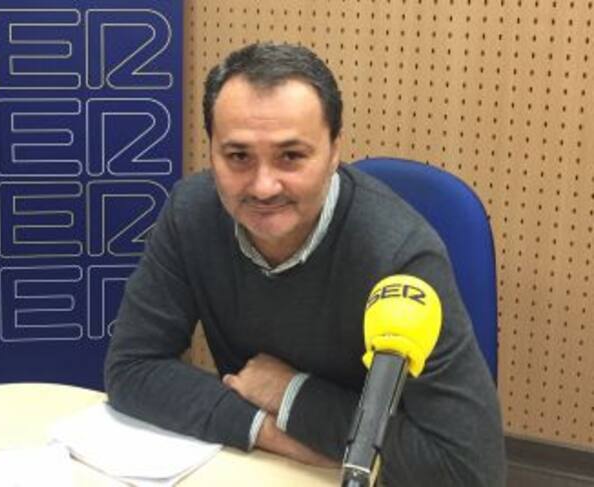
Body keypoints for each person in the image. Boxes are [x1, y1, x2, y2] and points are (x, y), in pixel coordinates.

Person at [105, 42, 506, 485]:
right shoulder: (192, 212)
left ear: (334, 151)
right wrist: (268, 430)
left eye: (291, 156)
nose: (263, 186)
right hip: (262, 467)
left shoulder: (400, 257)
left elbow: (467, 469)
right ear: (212, 152)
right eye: (238, 157)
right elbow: (132, 367)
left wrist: (291, 394)